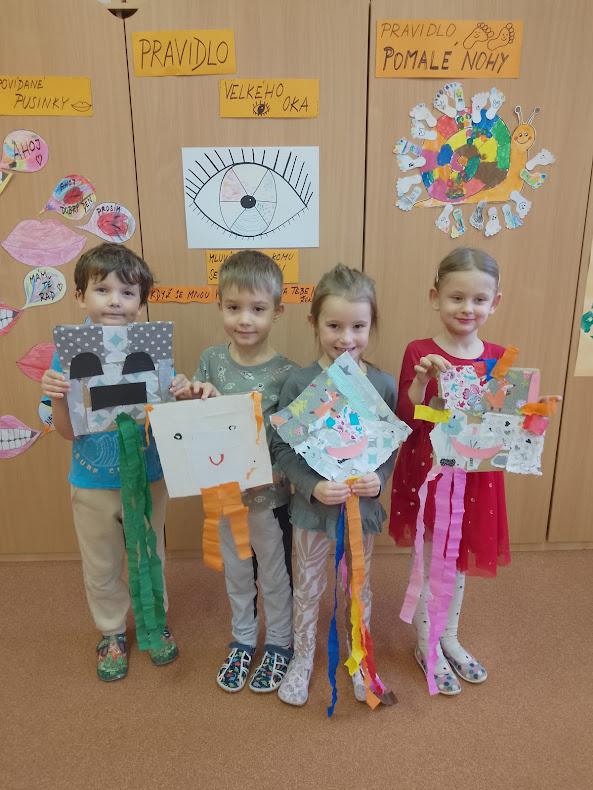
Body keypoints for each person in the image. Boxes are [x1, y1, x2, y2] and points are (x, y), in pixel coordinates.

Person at [40, 243, 188, 682]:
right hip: (92, 482)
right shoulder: (66, 355)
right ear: (80, 296)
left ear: (141, 302)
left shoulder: (152, 349)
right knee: (101, 563)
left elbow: (167, 423)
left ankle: (154, 622)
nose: (115, 301)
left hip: (148, 476)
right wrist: (56, 396)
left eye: (127, 293)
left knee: (150, 553)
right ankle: (111, 632)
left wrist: (178, 394)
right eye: (102, 290)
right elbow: (67, 431)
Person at [273, 263, 397, 706]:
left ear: (371, 325)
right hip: (312, 511)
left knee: (357, 587)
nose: (346, 338)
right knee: (307, 588)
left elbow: (389, 446)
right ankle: (303, 657)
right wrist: (311, 486)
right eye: (334, 326)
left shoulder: (381, 384)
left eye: (358, 326)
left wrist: (379, 480)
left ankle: (358, 656)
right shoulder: (299, 382)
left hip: (360, 511)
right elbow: (282, 447)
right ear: (314, 323)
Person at [390, 246, 510, 695]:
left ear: (495, 302)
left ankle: (449, 637)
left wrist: (528, 418)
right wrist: (422, 380)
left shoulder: (498, 357)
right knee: (430, 562)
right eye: (456, 297)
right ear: (435, 297)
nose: (467, 308)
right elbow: (409, 417)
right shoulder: (420, 351)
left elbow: (499, 423)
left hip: (476, 478)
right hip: (431, 476)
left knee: (457, 563)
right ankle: (427, 645)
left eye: (479, 299)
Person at [189, 250, 295, 693]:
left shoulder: (287, 373)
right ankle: (243, 639)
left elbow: (292, 442)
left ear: (277, 311)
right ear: (219, 306)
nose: (245, 319)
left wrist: (277, 473)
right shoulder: (211, 360)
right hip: (224, 497)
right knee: (236, 572)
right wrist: (191, 396)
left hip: (268, 500)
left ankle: (281, 643)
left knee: (274, 573)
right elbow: (194, 424)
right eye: (233, 307)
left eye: (258, 308)